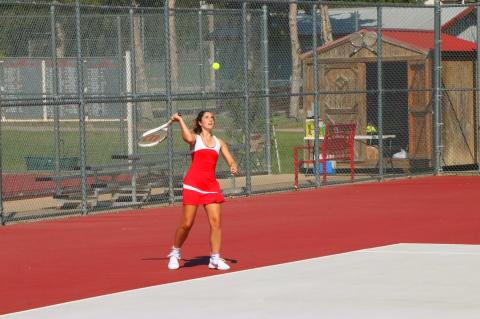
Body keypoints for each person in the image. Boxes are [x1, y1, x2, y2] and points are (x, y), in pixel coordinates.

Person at [167, 111, 238, 270]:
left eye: (212, 117)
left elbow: (230, 159)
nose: (210, 119)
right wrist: (179, 120)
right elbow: (186, 137)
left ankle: (214, 258)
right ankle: (175, 252)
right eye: (206, 117)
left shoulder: (219, 142)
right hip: (193, 185)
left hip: (211, 187)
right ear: (200, 122)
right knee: (186, 224)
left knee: (216, 223)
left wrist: (233, 165)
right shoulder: (195, 139)